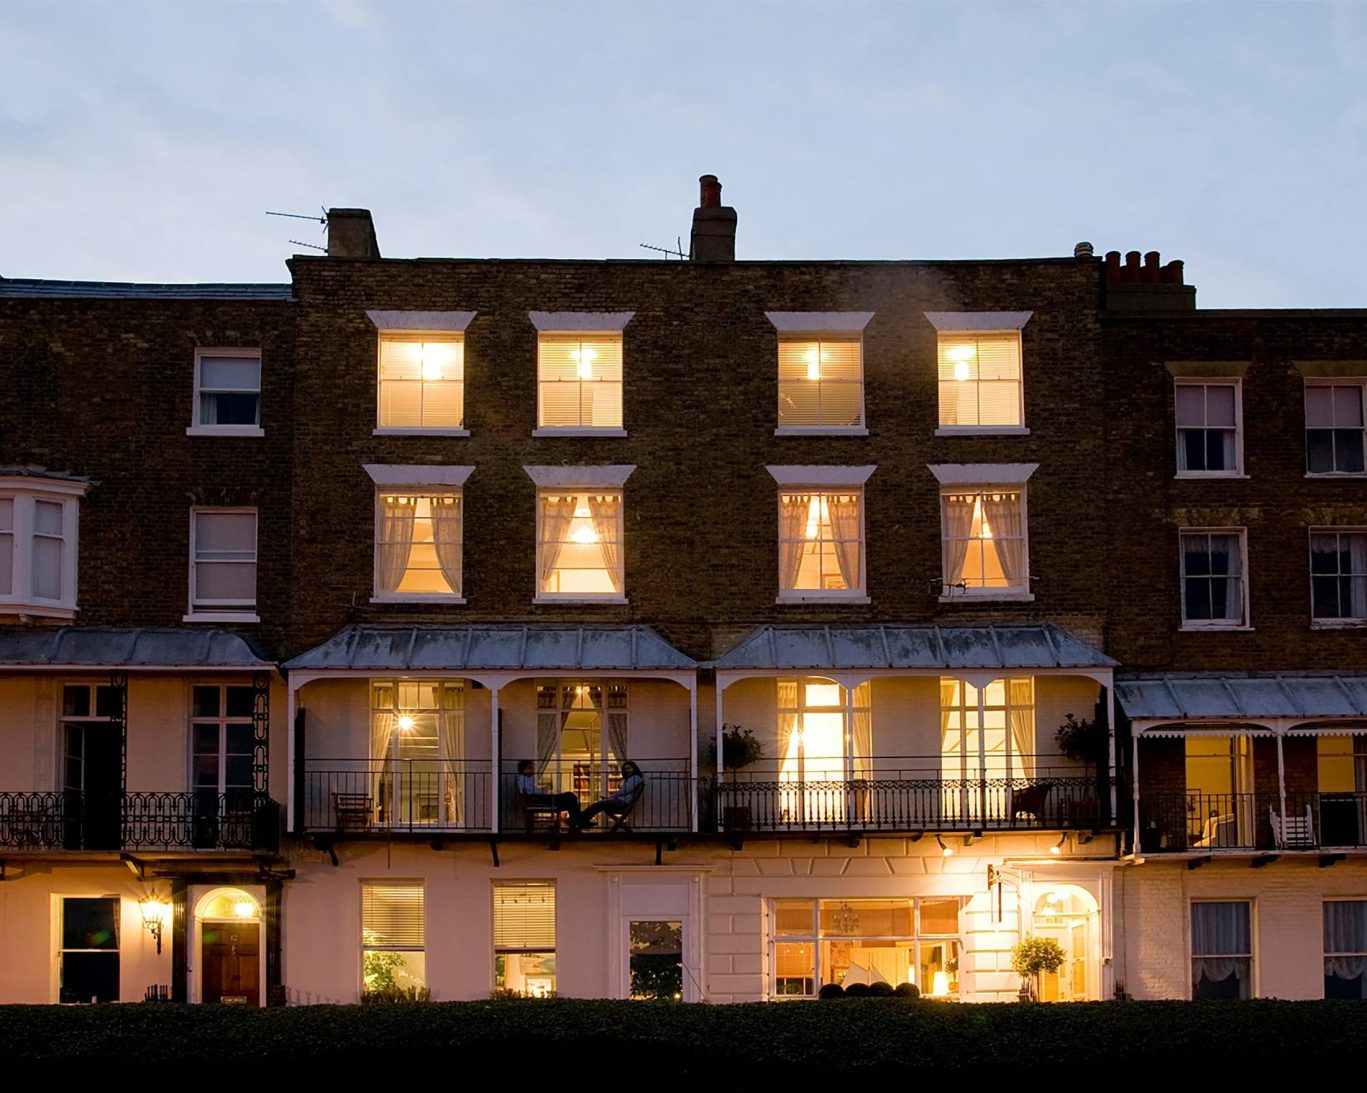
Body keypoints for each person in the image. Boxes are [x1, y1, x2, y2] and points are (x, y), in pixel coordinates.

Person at [576, 761, 645, 829]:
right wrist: (609, 798)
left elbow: (624, 791)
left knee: (597, 805)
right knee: (598, 805)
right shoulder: (632, 779)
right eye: (625, 768)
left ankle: (578, 821)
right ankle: (581, 821)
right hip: (621, 801)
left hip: (622, 802)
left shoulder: (635, 778)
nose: (626, 770)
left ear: (634, 768)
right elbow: (623, 792)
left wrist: (609, 797)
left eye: (629, 768)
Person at [514, 759, 580, 826]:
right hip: (538, 799)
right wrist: (544, 790)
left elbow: (533, 791)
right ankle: (576, 820)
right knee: (570, 796)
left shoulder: (524, 779)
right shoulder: (523, 779)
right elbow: (533, 792)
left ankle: (576, 820)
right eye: (530, 768)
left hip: (538, 798)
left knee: (571, 799)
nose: (533, 770)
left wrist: (543, 790)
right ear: (524, 769)